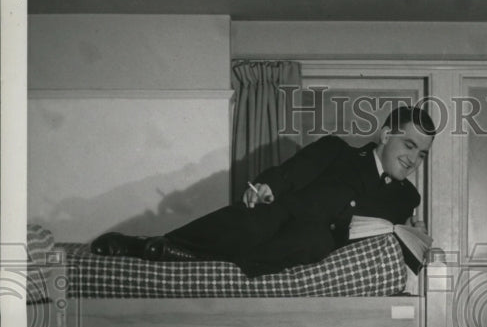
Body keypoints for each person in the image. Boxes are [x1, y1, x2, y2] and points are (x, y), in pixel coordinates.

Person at [90, 105, 436, 278]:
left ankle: (182, 256)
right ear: (386, 135)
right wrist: (268, 186)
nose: (413, 159)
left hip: (311, 247)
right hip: (282, 219)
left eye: (422, 153)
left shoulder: (407, 199)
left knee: (308, 241)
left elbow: (400, 252)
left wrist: (415, 239)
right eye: (409, 145)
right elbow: (291, 173)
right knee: (254, 221)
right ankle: (144, 246)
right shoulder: (338, 152)